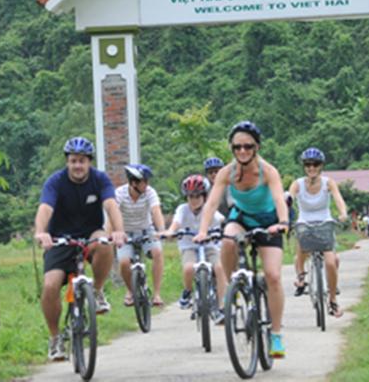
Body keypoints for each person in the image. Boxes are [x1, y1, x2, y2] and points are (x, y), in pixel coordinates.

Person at [195, 121, 290, 358]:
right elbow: (212, 203)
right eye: (236, 147)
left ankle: (276, 335)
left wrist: (283, 223)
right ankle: (231, 287)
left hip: (269, 222)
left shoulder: (268, 171)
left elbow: (279, 199)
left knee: (273, 276)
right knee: (227, 240)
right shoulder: (227, 173)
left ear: (256, 147)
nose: (242, 151)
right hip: (243, 218)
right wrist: (203, 230)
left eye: (248, 146)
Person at [34, 137, 127, 362]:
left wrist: (119, 231)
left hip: (90, 235)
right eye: (73, 161)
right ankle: (55, 338)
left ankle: (96, 290)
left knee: (104, 243)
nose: (78, 165)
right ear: (67, 162)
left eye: (82, 161)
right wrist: (41, 232)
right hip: (60, 240)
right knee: (50, 286)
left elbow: (111, 205)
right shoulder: (55, 182)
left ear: (89, 162)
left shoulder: (100, 179)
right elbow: (45, 208)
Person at [287, 147, 348, 317]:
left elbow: (338, 198)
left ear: (321, 166)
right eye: (308, 164)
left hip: (325, 222)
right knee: (300, 240)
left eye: (315, 164)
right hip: (304, 221)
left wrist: (342, 213)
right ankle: (301, 278)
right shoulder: (297, 184)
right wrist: (285, 210)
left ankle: (333, 300)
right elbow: (289, 198)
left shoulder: (328, 182)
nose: (311, 168)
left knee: (331, 261)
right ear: (304, 166)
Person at [161, 174, 226, 318]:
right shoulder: (182, 209)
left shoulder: (209, 209)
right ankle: (187, 292)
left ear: (204, 196)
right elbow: (176, 222)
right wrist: (171, 231)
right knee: (189, 267)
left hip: (210, 246)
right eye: (190, 197)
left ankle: (222, 305)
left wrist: (224, 228)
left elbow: (221, 219)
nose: (194, 200)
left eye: (197, 196)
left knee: (220, 267)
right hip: (189, 246)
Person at [115, 163, 166, 307]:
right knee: (124, 262)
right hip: (125, 232)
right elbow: (113, 215)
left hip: (146, 230)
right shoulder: (119, 193)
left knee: (157, 252)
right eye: (144, 181)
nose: (147, 184)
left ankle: (156, 294)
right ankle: (130, 291)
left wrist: (161, 231)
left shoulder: (150, 192)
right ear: (133, 182)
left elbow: (156, 211)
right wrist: (111, 235)